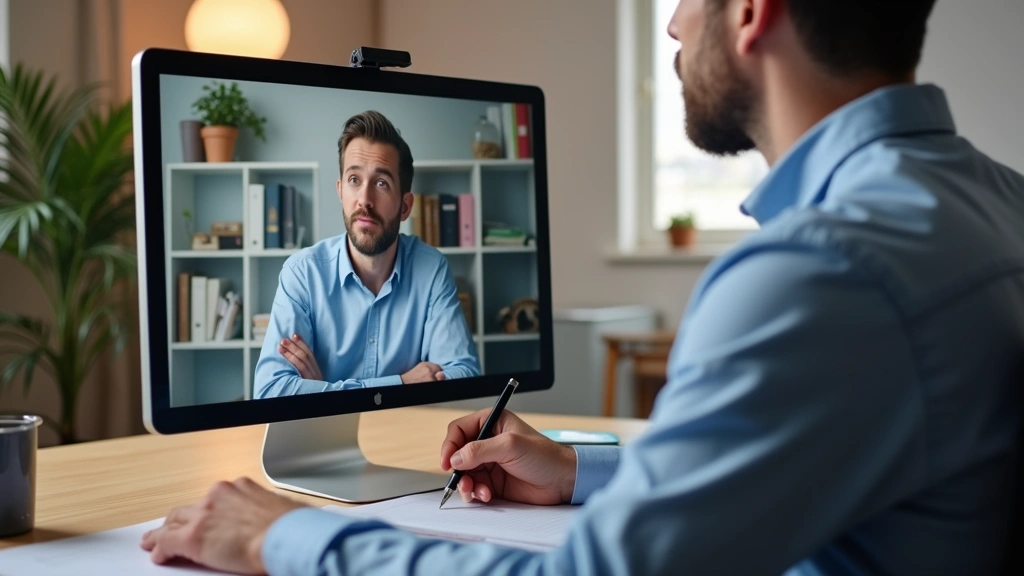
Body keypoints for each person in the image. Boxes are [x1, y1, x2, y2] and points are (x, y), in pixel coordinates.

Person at [144, 0, 1024, 573]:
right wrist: (577, 471)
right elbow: (798, 459)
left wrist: (282, 537)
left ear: (753, 12)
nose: (672, 24)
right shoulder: (1000, 200)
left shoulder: (815, 272)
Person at [253, 110, 480, 398]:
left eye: (381, 183)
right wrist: (402, 383)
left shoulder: (431, 270)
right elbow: (271, 391)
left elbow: (464, 376)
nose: (364, 200)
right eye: (354, 179)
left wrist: (323, 390)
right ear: (340, 191)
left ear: (405, 206)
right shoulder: (302, 273)